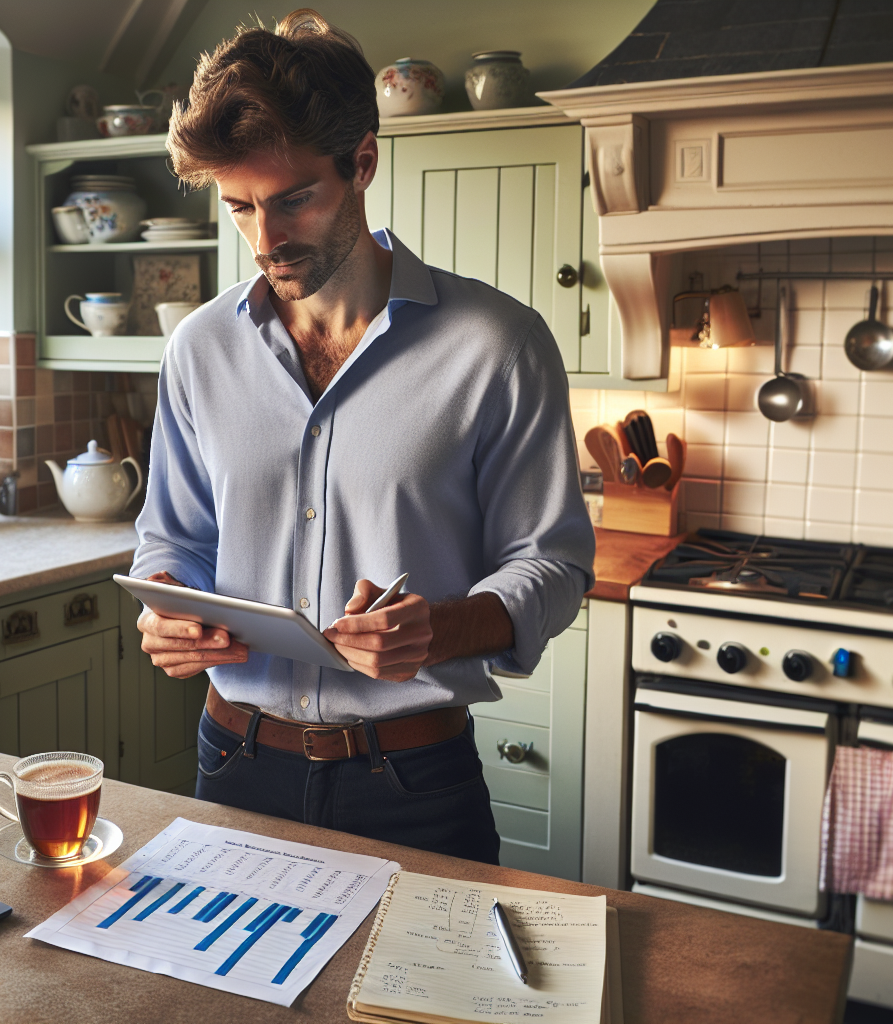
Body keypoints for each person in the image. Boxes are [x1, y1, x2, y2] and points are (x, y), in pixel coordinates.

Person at [129, 8, 594, 864]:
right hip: (232, 763)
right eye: (239, 208)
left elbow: (553, 565)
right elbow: (176, 539)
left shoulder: (499, 344)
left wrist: (441, 630)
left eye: (293, 200)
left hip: (414, 782)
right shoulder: (198, 348)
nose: (265, 240)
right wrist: (170, 606)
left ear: (364, 163)